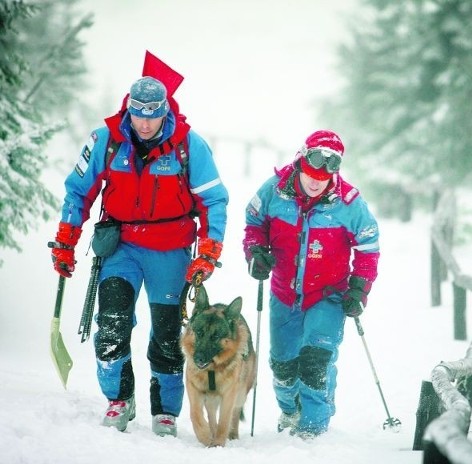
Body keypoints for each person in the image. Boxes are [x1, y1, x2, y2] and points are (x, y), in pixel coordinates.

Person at [49, 63, 228, 437]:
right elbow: (78, 191)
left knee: (166, 335)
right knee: (111, 325)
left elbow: (213, 201)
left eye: (154, 115)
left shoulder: (189, 145)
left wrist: (208, 250)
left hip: (170, 249)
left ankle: (164, 410)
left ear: (166, 110)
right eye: (138, 114)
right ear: (129, 108)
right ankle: (120, 398)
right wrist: (66, 241)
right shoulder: (107, 140)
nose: (145, 124)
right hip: (121, 248)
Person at [242, 129, 380, 439]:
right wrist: (255, 252)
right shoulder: (274, 191)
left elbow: (369, 246)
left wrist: (359, 286)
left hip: (328, 294)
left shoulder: (348, 203)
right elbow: (254, 223)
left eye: (324, 176)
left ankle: (313, 432)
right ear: (301, 162)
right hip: (284, 292)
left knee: (316, 363)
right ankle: (290, 411)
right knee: (283, 367)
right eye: (311, 173)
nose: (316, 181)